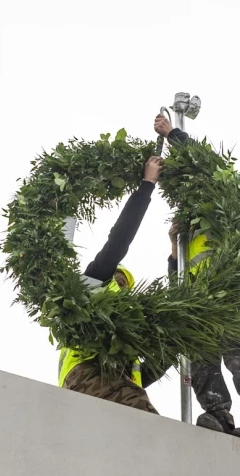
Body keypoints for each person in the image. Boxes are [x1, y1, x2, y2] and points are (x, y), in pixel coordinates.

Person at [156, 113, 240, 450]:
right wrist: (174, 246)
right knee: (201, 361)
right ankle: (217, 415)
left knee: (238, 360)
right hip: (200, 305)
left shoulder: (224, 213)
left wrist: (172, 135)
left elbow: (203, 163)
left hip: (230, 301)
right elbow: (179, 283)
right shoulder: (188, 233)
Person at [56, 153, 169, 414]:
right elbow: (119, 240)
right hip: (89, 374)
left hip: (119, 382)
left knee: (145, 425)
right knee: (149, 427)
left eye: (125, 284)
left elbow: (146, 371)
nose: (120, 285)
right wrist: (147, 185)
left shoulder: (128, 328)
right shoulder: (94, 284)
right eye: (118, 280)